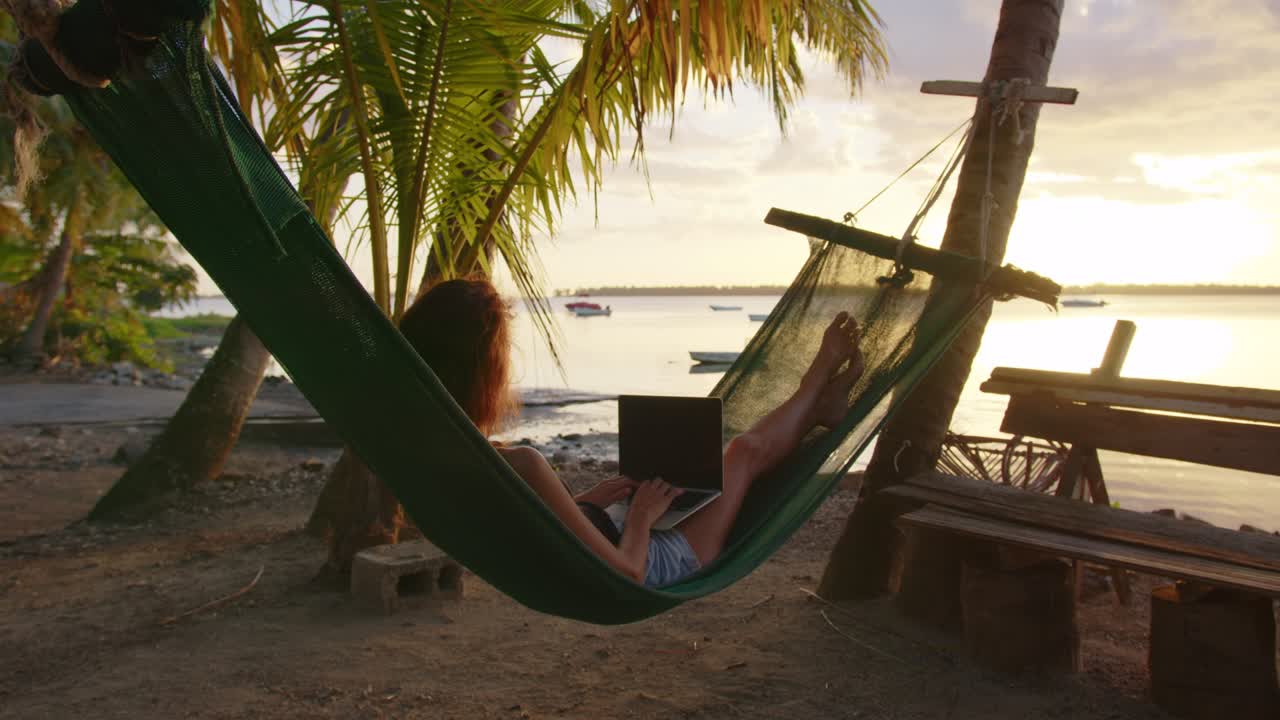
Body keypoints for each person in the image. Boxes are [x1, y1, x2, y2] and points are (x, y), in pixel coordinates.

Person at [399, 278, 864, 588]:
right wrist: (640, 514)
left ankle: (820, 408)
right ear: (484, 372)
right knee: (742, 454)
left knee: (714, 470)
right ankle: (817, 382)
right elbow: (627, 572)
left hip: (611, 531)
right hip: (653, 557)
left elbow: (534, 533)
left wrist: (589, 503)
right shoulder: (521, 462)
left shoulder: (431, 451)